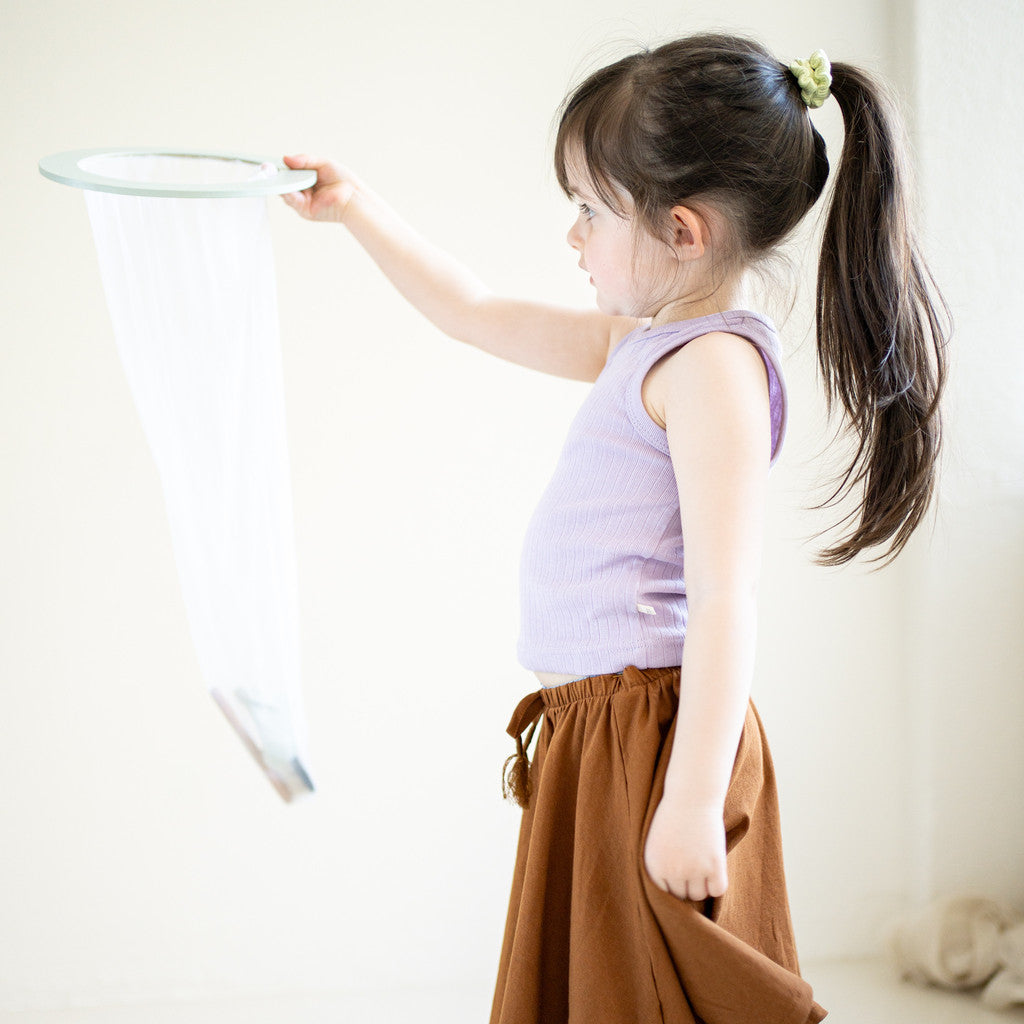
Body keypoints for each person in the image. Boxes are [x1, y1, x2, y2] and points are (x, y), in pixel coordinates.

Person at [281, 30, 948, 1024]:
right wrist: (357, 210)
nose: (573, 236)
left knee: (644, 994)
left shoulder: (712, 367)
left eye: (590, 210)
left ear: (682, 231)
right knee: (595, 987)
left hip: (651, 731)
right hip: (596, 726)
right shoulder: (643, 344)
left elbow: (725, 598)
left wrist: (692, 796)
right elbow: (472, 310)